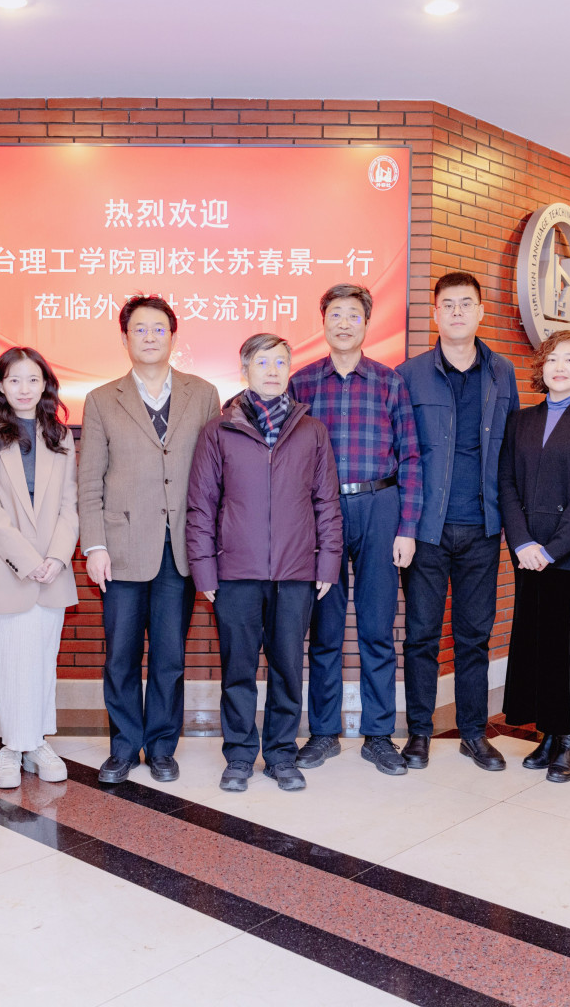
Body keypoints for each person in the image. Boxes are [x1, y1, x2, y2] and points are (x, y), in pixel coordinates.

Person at [187, 333, 342, 793]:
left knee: (288, 669)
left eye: (280, 362)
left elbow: (326, 503)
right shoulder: (218, 431)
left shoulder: (312, 431)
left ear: (289, 370)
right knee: (238, 670)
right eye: (262, 362)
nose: (272, 371)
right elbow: (201, 505)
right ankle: (238, 756)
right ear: (244, 370)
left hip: (296, 572)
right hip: (235, 573)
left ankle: (280, 755)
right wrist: (204, 568)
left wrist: (328, 564)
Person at [79, 295, 221, 784]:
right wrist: (94, 545)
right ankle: (123, 746)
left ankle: (162, 747)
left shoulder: (203, 394)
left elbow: (215, 476)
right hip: (120, 550)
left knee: (169, 658)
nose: (150, 337)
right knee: (120, 656)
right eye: (139, 329)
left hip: (179, 550)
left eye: (159, 328)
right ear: (125, 338)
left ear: (173, 337)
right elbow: (89, 480)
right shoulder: (102, 399)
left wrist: (210, 547)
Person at [290, 284, 421, 776]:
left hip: (380, 506)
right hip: (320, 512)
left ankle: (379, 735)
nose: (344, 323)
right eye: (336, 315)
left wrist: (407, 528)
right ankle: (323, 733)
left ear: (366, 324)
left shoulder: (390, 382)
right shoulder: (302, 383)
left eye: (353, 315)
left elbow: (411, 457)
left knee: (377, 627)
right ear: (323, 322)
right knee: (324, 630)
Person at [396, 272, 520, 771]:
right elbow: (401, 454)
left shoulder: (503, 372)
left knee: (474, 637)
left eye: (466, 304)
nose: (457, 312)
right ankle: (419, 733)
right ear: (435, 313)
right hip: (426, 529)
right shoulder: (410, 374)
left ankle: (472, 732)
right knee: (422, 636)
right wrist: (404, 526)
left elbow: (512, 450)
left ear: (481, 312)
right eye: (447, 304)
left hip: (483, 527)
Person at [498, 330, 570, 783]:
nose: (560, 367)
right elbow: (506, 483)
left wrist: (552, 549)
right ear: (541, 368)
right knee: (538, 645)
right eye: (552, 359)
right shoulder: (520, 421)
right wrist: (523, 543)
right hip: (529, 553)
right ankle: (548, 731)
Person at [0, 347, 80, 790]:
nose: (24, 388)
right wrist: (30, 562)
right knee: (7, 661)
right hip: (7, 569)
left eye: (33, 379)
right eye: (14, 380)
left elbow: (69, 505)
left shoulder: (61, 436)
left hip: (53, 570)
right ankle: (11, 748)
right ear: (0, 384)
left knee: (41, 663)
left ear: (45, 384)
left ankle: (36, 743)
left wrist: (57, 558)